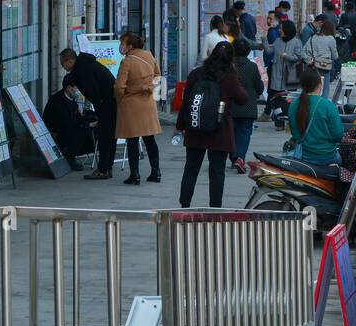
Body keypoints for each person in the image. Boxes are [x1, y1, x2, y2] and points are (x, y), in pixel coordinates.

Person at [172, 42, 249, 207]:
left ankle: (184, 205)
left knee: (191, 169)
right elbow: (243, 99)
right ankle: (215, 207)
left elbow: (186, 103)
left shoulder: (196, 74)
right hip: (219, 131)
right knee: (217, 171)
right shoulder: (229, 76)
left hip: (195, 128)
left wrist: (180, 126)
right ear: (231, 59)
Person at [60, 47, 118, 179]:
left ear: (69, 61)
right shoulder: (85, 64)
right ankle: (107, 167)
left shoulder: (82, 69)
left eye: (63, 63)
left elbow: (93, 90)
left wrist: (99, 111)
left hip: (107, 103)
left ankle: (103, 169)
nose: (62, 66)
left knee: (104, 136)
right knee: (110, 135)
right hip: (111, 101)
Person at [113, 31, 162, 186]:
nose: (121, 46)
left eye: (123, 43)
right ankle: (156, 172)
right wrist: (151, 89)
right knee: (149, 138)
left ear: (130, 46)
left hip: (131, 103)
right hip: (148, 102)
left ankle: (135, 175)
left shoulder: (127, 61)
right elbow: (158, 76)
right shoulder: (149, 55)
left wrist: (121, 100)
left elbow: (119, 86)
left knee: (132, 139)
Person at [286, 67, 345, 166]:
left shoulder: (294, 105)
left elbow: (295, 134)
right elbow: (338, 135)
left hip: (303, 157)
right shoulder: (327, 105)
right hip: (328, 157)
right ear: (319, 84)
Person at [42, 73, 97, 169]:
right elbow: (68, 121)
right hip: (56, 132)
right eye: (76, 88)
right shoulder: (58, 101)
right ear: (69, 88)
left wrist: (92, 120)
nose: (77, 91)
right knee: (80, 130)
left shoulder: (71, 99)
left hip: (66, 128)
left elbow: (77, 117)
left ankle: (73, 154)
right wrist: (89, 124)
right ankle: (69, 157)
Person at [230, 38, 264, 173]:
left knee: (231, 133)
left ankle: (234, 157)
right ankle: (240, 158)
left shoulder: (228, 67)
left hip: (231, 107)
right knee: (244, 133)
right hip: (248, 107)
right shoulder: (252, 66)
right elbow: (259, 87)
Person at [264, 20, 306, 116]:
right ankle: (278, 121)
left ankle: (289, 118)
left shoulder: (297, 42)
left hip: (292, 73)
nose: (280, 31)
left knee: (289, 98)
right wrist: (264, 38)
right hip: (277, 72)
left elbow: (298, 57)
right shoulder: (277, 41)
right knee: (276, 97)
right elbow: (268, 51)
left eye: (282, 29)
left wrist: (286, 56)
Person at [308, 12, 341, 96]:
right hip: (325, 65)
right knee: (325, 87)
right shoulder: (330, 38)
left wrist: (308, 60)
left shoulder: (313, 37)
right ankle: (323, 104)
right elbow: (335, 55)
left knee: (314, 87)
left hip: (314, 64)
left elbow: (305, 51)